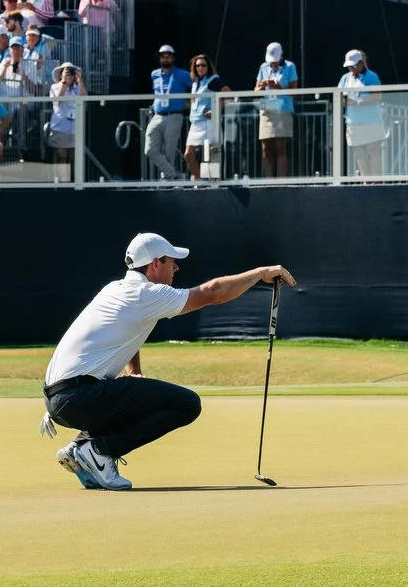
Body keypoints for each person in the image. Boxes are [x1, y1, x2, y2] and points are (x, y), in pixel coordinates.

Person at [43, 233, 297, 490]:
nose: (176, 267)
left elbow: (126, 332)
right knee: (186, 404)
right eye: (170, 261)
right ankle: (98, 451)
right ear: (155, 264)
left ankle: (80, 448)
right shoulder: (147, 294)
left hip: (61, 398)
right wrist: (260, 273)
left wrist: (135, 371)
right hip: (79, 396)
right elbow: (211, 293)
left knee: (141, 394)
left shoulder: (115, 289)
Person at [145, 45, 190, 180]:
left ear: (173, 58)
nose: (165, 59)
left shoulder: (182, 74)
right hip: (157, 115)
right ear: (159, 59)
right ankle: (173, 175)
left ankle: (168, 179)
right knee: (149, 150)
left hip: (174, 115)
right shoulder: (154, 74)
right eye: (163, 56)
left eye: (168, 56)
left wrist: (190, 101)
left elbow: (198, 85)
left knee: (169, 151)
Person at [254, 42, 298, 179]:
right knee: (266, 148)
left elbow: (294, 92)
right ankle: (268, 181)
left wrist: (278, 87)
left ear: (281, 56)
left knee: (280, 146)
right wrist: (260, 87)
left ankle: (281, 182)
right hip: (266, 109)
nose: (272, 64)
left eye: (275, 61)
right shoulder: (263, 67)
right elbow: (255, 90)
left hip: (283, 109)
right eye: (270, 61)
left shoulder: (290, 66)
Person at [183, 53, 229, 181]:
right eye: (197, 66)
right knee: (188, 155)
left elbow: (228, 95)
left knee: (209, 155)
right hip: (196, 123)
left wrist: (216, 110)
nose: (200, 68)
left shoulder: (213, 80)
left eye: (203, 65)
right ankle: (200, 181)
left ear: (208, 66)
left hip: (209, 122)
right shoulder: (195, 82)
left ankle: (211, 182)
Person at [339, 48, 384, 178]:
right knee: (359, 153)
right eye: (349, 67)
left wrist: (358, 101)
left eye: (353, 66)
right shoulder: (345, 79)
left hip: (371, 120)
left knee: (373, 151)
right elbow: (340, 97)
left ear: (361, 62)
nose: (351, 69)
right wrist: (345, 100)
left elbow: (377, 97)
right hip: (353, 122)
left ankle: (376, 182)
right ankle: (366, 182)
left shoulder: (372, 76)